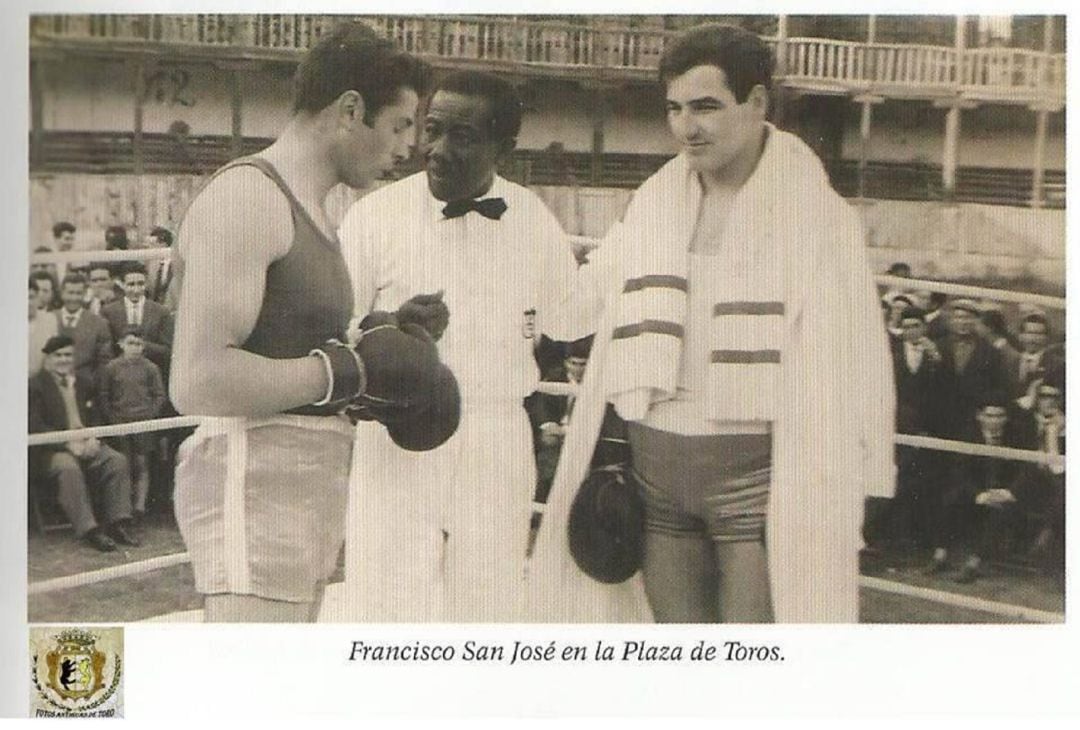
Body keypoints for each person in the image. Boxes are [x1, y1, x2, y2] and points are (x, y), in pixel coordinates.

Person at [529, 23, 894, 623]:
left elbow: (858, 356)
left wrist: (866, 475)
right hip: (655, 476)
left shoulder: (818, 216)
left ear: (755, 103)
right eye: (674, 109)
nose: (686, 127)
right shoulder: (654, 200)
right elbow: (580, 301)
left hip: (758, 485)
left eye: (706, 107)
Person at [168, 21, 436, 623]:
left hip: (298, 493)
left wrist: (379, 339)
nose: (406, 150)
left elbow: (292, 344)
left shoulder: (312, 206)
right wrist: (344, 370)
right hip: (251, 488)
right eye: (398, 126)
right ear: (349, 111)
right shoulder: (249, 197)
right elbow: (198, 379)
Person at [337, 70, 593, 622]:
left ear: (505, 146)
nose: (438, 150)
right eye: (433, 130)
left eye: (465, 137)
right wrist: (388, 326)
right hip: (396, 436)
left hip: (496, 436)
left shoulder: (535, 221)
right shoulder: (372, 218)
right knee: (384, 605)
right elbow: (337, 330)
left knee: (489, 605)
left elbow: (570, 320)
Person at [29, 335, 140, 553]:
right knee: (67, 466)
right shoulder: (35, 386)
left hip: (85, 441)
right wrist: (67, 444)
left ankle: (117, 523)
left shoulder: (83, 382)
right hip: (51, 450)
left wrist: (93, 438)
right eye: (58, 355)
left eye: (67, 355)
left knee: (116, 460)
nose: (63, 359)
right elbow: (35, 426)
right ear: (48, 358)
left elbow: (97, 416)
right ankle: (90, 530)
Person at [98, 326, 167, 519]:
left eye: (139, 344)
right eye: (130, 343)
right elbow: (104, 396)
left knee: (141, 463)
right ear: (121, 344)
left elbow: (159, 395)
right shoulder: (111, 368)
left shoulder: (151, 368)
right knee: (124, 463)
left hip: (143, 423)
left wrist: (150, 416)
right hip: (120, 422)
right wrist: (113, 420)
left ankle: (140, 507)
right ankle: (124, 508)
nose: (135, 348)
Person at [101, 262, 173, 375]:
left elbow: (168, 350)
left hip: (151, 375)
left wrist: (142, 346)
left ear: (147, 284)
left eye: (140, 284)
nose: (136, 290)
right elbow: (105, 349)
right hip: (119, 375)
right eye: (131, 284)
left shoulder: (161, 312)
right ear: (122, 285)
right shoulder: (109, 312)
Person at [54, 273, 114, 387]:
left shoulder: (99, 324)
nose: (74, 298)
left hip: (86, 389)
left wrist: (90, 384)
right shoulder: (49, 319)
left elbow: (104, 363)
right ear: (62, 293)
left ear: (85, 294)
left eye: (78, 293)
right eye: (70, 293)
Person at [29, 277, 59, 377]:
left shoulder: (50, 320)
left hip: (40, 383)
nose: (28, 303)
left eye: (31, 297)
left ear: (38, 297)